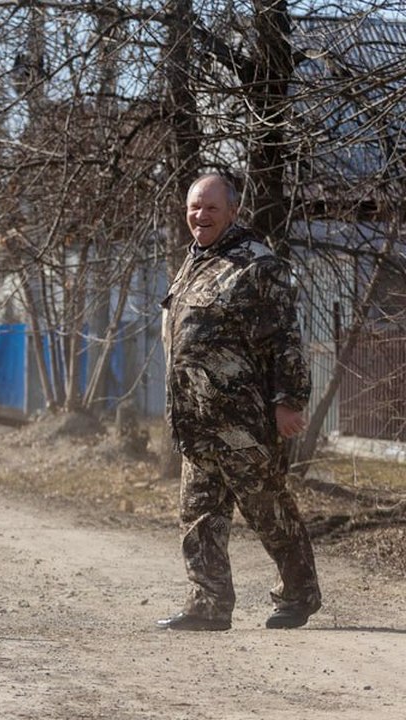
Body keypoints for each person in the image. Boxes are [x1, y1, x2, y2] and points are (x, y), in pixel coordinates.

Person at [157, 173, 322, 631]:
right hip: (196, 421)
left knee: (268, 511)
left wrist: (288, 400)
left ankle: (300, 594)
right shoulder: (194, 262)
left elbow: (285, 338)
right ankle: (207, 606)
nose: (200, 215)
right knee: (198, 515)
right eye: (194, 207)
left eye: (210, 207)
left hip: (242, 422)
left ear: (232, 210)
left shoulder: (256, 264)